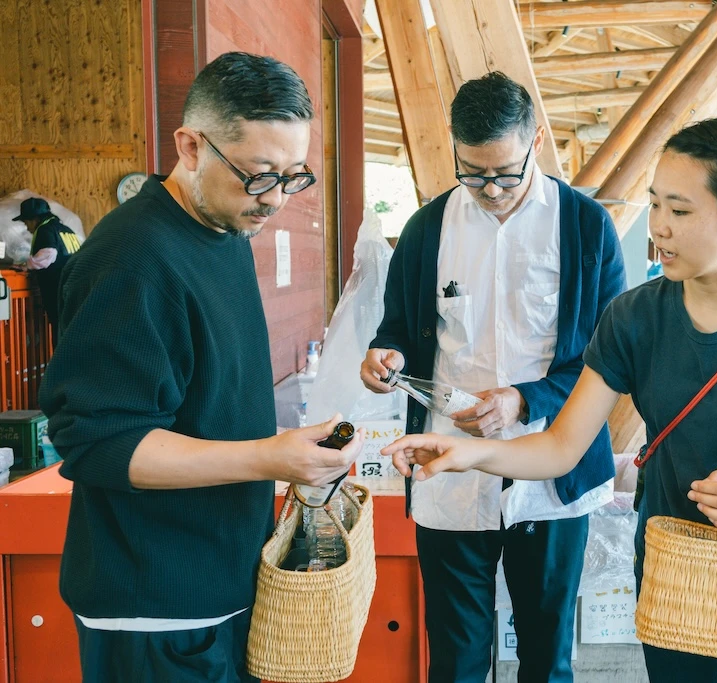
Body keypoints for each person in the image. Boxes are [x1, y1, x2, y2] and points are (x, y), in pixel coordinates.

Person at [383, 117, 717, 683]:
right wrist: (466, 453)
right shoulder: (635, 318)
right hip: (674, 567)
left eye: (680, 212)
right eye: (656, 205)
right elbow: (561, 447)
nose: (659, 228)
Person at [38, 52, 364, 683]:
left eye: (294, 176)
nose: (275, 201)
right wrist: (271, 457)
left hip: (218, 579)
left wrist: (286, 460)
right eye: (260, 174)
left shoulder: (223, 231)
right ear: (190, 146)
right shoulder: (133, 260)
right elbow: (101, 445)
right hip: (156, 606)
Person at [360, 72, 626, 683]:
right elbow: (396, 327)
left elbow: (609, 358)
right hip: (449, 473)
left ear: (535, 140)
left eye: (505, 172)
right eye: (472, 172)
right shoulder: (428, 229)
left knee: (546, 654)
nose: (490, 188)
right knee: (454, 657)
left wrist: (522, 400)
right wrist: (386, 357)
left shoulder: (586, 227)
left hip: (553, 476)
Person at [13, 197, 82, 343]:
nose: (27, 227)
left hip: (58, 291)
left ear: (34, 219)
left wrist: (27, 265)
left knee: (61, 334)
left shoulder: (45, 229)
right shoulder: (66, 230)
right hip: (76, 291)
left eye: (26, 222)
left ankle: (62, 365)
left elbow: (48, 254)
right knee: (73, 333)